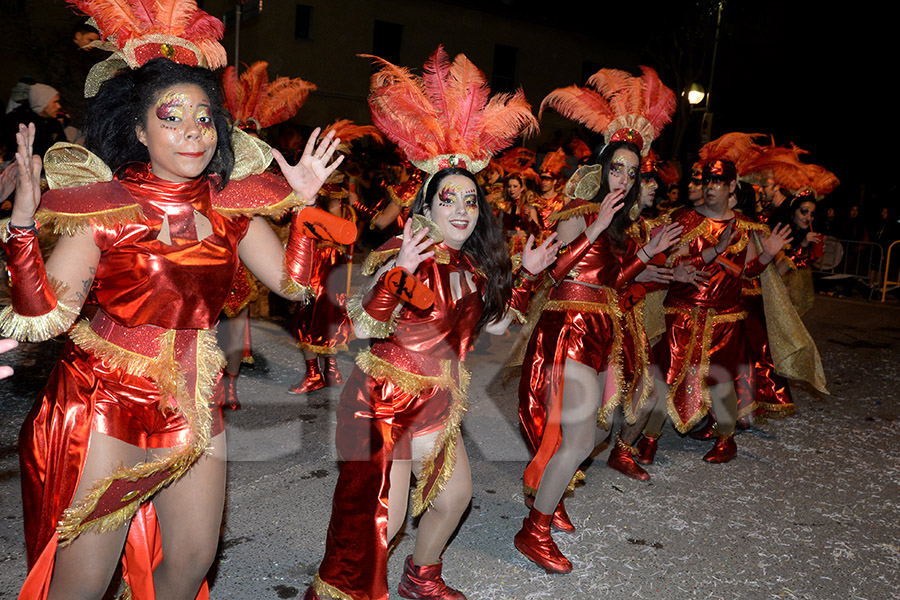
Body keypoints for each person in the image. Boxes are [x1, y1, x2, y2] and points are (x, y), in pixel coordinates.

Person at [4, 56, 345, 600]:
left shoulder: (232, 207)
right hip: (104, 399)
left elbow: (293, 286)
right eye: (171, 116)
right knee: (86, 581)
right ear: (139, 129)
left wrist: (303, 209)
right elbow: (47, 317)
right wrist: (22, 229)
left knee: (191, 561)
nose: (192, 131)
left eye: (205, 118)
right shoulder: (106, 208)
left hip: (192, 396)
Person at [305, 45, 548, 600]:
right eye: (448, 200)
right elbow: (365, 322)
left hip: (440, 397)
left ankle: (423, 575)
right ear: (427, 207)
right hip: (384, 399)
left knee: (454, 497)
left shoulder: (474, 265)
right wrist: (399, 273)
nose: (462, 209)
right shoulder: (404, 249)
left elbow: (490, 330)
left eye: (470, 200)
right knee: (377, 524)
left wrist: (527, 277)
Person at [515, 141, 682, 572]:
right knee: (579, 439)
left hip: (599, 329)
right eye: (618, 169)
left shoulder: (619, 226)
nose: (624, 179)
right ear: (603, 169)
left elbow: (611, 283)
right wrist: (597, 224)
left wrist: (645, 252)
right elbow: (556, 270)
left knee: (584, 438)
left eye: (632, 172)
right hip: (569, 325)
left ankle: (544, 509)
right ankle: (534, 530)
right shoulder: (578, 210)